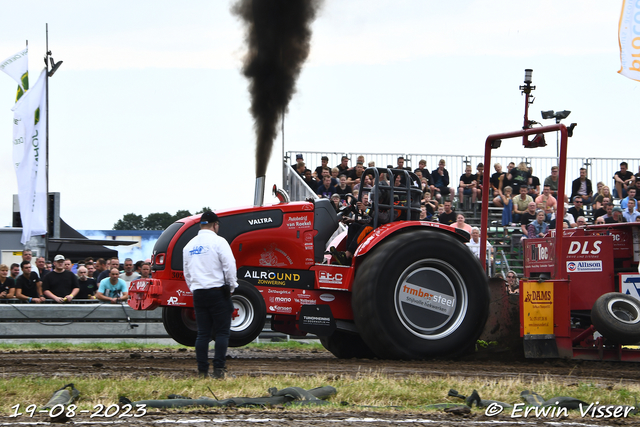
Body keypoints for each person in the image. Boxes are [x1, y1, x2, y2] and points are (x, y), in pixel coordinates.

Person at [183, 211, 237, 379]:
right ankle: (219, 370)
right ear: (215, 225)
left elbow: (187, 272)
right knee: (222, 332)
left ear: (201, 225)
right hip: (217, 291)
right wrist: (232, 285)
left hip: (199, 293)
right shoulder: (219, 242)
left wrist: (194, 288)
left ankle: (202, 371)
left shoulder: (189, 245)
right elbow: (229, 265)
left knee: (203, 334)